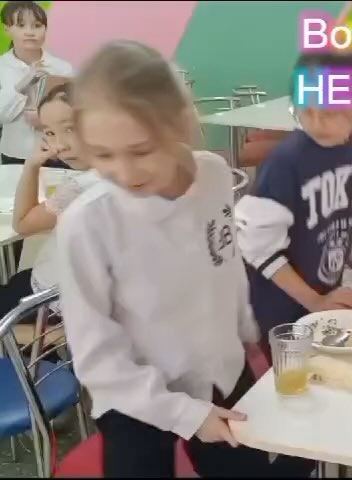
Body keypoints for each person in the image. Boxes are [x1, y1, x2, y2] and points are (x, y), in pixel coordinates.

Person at [54, 40, 315, 478]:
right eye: (102, 155)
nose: (124, 172)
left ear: (177, 123)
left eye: (141, 150)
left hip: (220, 370)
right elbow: (98, 360)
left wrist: (245, 329)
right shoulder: (87, 223)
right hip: (135, 398)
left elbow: (225, 260)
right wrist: (185, 414)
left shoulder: (212, 173)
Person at [235, 50, 352, 359]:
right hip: (281, 310)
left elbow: (330, 220)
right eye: (306, 110)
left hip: (323, 297)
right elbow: (257, 248)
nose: (316, 121)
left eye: (329, 111)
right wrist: (315, 302)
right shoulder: (287, 162)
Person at [1, 83, 96, 320]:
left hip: (53, 301)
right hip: (73, 294)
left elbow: (22, 223)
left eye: (70, 128)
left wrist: (32, 165)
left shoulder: (82, 188)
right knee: (17, 279)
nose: (60, 145)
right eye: (50, 133)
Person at [0, 1, 73, 166]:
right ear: (7, 29)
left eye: (37, 26)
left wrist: (47, 118)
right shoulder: (2, 66)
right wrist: (25, 82)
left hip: (57, 153)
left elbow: (75, 114)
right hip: (14, 154)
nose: (30, 32)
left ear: (45, 29)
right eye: (21, 25)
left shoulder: (62, 68)